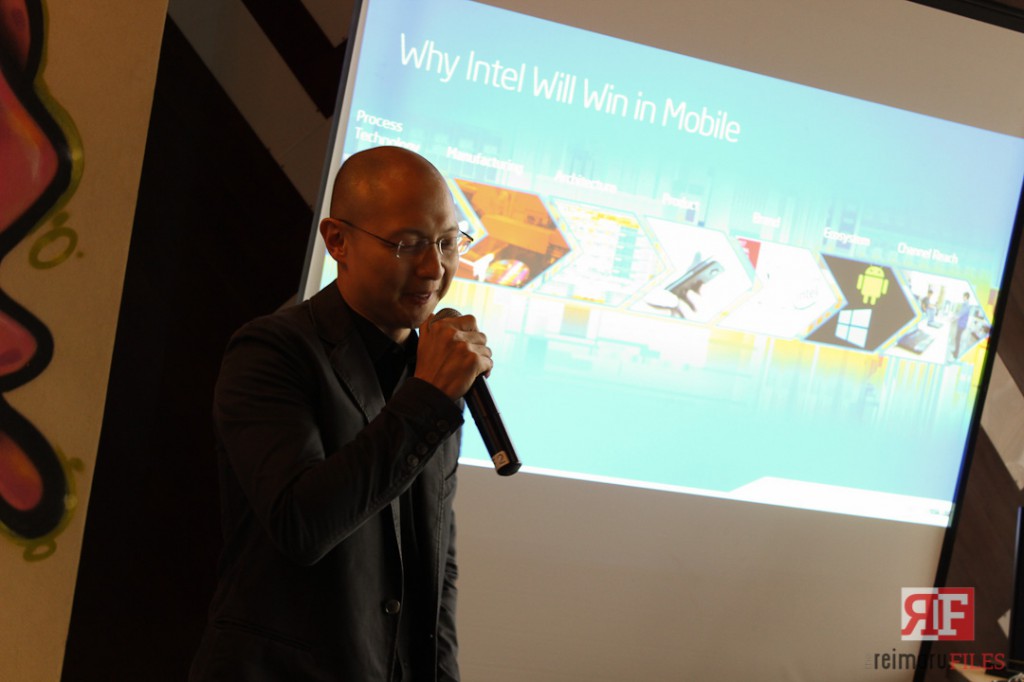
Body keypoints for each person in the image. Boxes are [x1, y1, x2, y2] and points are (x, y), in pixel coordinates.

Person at [189, 146, 491, 681]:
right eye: (407, 244)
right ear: (337, 241)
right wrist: (427, 397)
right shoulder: (271, 351)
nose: (434, 268)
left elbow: (435, 570)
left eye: (448, 243)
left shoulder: (428, 371)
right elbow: (302, 524)